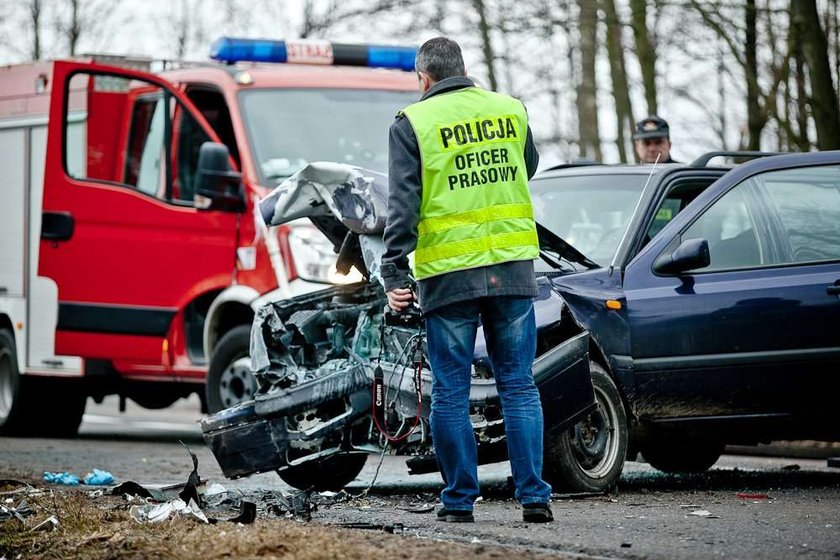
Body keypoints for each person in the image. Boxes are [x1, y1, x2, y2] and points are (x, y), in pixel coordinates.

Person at [380, 37, 553, 524]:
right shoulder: (510, 110)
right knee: (518, 384)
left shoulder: (413, 122)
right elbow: (528, 166)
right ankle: (534, 498)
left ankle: (459, 502)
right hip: (512, 267)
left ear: (425, 78)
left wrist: (393, 266)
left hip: (449, 275)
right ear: (462, 69)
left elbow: (404, 203)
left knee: (451, 391)